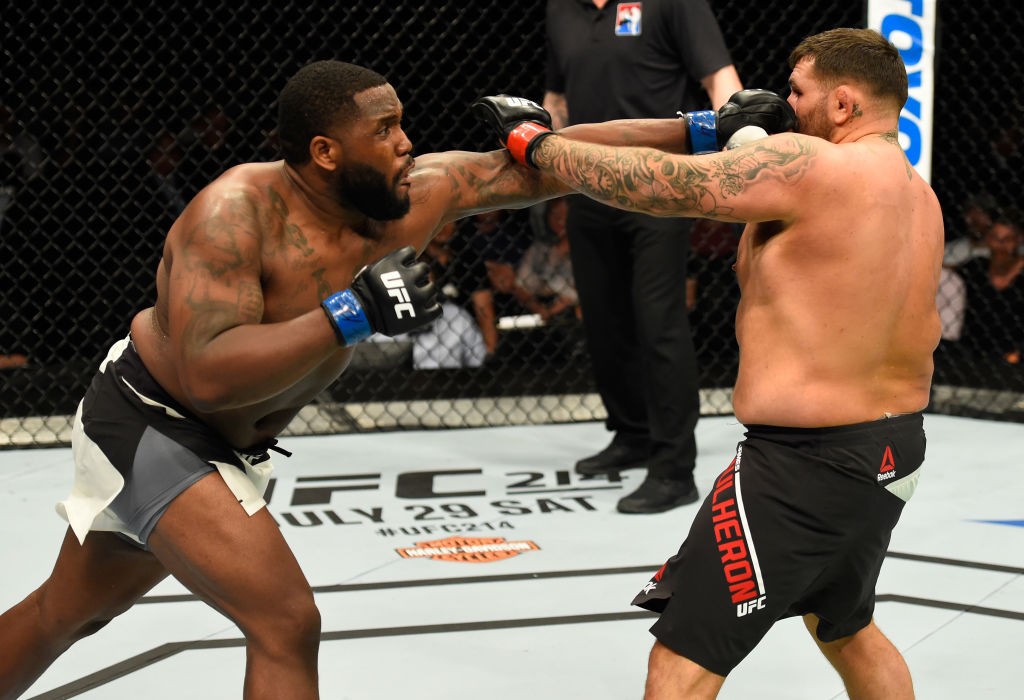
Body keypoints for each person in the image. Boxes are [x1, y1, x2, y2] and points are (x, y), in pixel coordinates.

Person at [0, 60, 787, 699]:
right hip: (153, 422)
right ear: (324, 153)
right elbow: (206, 375)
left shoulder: (411, 199)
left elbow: (554, 163)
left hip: (221, 444)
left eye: (402, 121)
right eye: (385, 131)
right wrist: (349, 313)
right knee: (286, 623)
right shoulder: (233, 215)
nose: (408, 141)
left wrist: (702, 128)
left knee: (69, 613)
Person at [483, 27, 941, 699]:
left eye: (798, 92)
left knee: (680, 664)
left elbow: (664, 185)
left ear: (843, 104)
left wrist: (539, 144)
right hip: (888, 452)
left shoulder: (814, 168)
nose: (787, 104)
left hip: (801, 467)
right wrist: (746, 141)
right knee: (843, 626)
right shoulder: (915, 195)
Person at [543, 0, 744, 513]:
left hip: (659, 181)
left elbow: (721, 79)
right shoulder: (561, 9)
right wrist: (539, 149)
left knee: (659, 320)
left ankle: (675, 469)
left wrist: (741, 149)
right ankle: (632, 434)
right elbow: (558, 96)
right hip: (585, 183)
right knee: (604, 321)